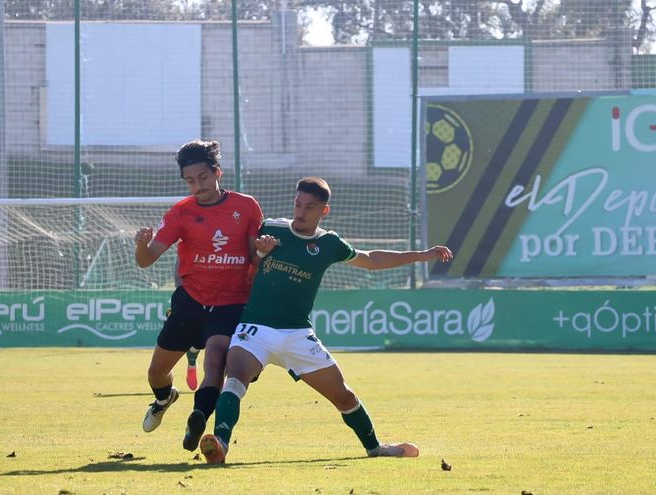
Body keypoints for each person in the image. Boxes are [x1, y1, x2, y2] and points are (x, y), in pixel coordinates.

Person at [198, 176, 453, 464]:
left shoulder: (329, 243)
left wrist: (422, 255)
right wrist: (259, 252)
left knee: (343, 396)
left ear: (324, 211)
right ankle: (220, 442)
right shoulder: (271, 229)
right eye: (297, 204)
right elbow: (246, 266)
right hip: (256, 328)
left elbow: (370, 260)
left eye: (309, 207)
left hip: (297, 335)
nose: (301, 212)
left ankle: (375, 446)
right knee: (236, 378)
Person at [135, 139, 264, 451]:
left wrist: (261, 257)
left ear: (217, 172)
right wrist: (141, 244)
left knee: (215, 363)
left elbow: (254, 258)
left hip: (231, 303)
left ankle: (199, 416)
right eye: (190, 181)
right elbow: (146, 260)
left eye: (202, 178)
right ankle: (165, 398)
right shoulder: (181, 213)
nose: (197, 186)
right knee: (156, 372)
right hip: (191, 302)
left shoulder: (246, 206)